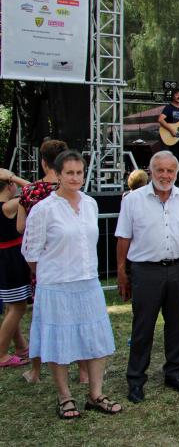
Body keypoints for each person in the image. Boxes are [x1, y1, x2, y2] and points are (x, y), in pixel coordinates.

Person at [22, 150, 121, 419]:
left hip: (88, 282)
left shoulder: (90, 204)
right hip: (56, 285)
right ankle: (65, 397)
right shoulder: (44, 209)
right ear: (58, 174)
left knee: (95, 339)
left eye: (79, 172)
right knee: (58, 342)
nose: (76, 178)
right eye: (70, 173)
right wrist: (52, 273)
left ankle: (95, 394)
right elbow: (31, 253)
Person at [116, 151, 179, 403]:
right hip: (145, 271)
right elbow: (123, 238)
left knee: (177, 325)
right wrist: (122, 272)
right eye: (160, 170)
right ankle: (135, 380)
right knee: (142, 328)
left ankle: (174, 374)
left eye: (170, 171)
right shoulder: (133, 200)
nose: (165, 176)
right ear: (151, 171)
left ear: (176, 173)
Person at [16, 139, 75, 384]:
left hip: (43, 266)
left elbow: (21, 228)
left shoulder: (31, 192)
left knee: (42, 320)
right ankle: (83, 373)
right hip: (71, 263)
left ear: (43, 161)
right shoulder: (73, 191)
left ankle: (36, 371)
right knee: (75, 317)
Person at [0, 169, 32, 368]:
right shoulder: (8, 206)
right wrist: (12, 176)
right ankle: (2, 353)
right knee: (18, 306)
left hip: (6, 258)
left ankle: (20, 346)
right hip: (11, 259)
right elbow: (34, 190)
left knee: (12, 306)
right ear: (10, 185)